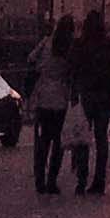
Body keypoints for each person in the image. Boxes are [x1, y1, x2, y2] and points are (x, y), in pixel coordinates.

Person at [72, 10, 110, 198]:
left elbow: (74, 68)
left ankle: (81, 179)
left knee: (82, 139)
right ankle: (99, 180)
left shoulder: (81, 45)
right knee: (101, 140)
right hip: (104, 97)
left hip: (87, 95)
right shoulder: (108, 45)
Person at [30, 14, 77, 194]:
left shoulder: (46, 42)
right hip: (61, 98)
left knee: (43, 140)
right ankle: (52, 180)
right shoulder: (69, 47)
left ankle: (39, 179)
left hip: (43, 97)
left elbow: (31, 58)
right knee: (58, 142)